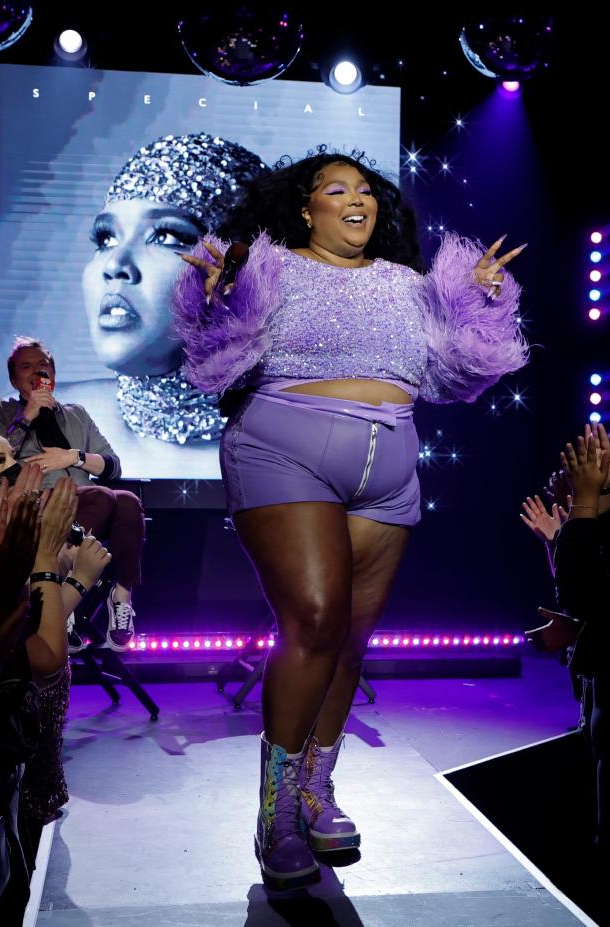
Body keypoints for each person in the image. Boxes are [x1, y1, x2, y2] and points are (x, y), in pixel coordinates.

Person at [175, 149, 528, 890]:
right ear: (306, 209)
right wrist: (215, 300)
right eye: (337, 190)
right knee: (314, 615)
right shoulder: (269, 271)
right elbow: (214, 356)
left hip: (390, 466)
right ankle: (274, 811)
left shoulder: (407, 285)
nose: (356, 200)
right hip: (283, 450)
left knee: (349, 640)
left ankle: (315, 784)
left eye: (365, 190)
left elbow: (454, 379)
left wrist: (480, 304)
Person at [60, 132, 268, 478]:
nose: (114, 265)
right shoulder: (38, 424)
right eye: (106, 238)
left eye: (167, 237)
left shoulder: (305, 452)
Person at [0, 338, 142, 650]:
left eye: (43, 366)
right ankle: (57, 590)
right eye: (27, 367)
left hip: (86, 503)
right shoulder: (0, 411)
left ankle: (121, 595)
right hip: (33, 505)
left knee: (128, 501)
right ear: (14, 379)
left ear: (53, 374)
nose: (37, 371)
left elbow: (112, 466)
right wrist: (27, 416)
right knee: (105, 498)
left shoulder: (77, 414)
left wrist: (75, 458)